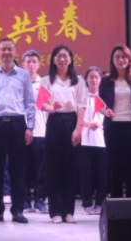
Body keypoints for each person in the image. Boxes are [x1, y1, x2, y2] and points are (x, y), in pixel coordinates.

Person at [0, 38, 35, 224]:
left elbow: (30, 102)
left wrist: (30, 126)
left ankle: (17, 210)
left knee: (17, 168)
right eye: (3, 49)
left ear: (15, 52)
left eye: (9, 49)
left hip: (17, 123)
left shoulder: (24, 75)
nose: (6, 52)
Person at [40, 45, 87, 224]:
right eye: (58, 56)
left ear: (71, 59)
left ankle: (69, 211)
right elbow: (42, 104)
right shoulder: (47, 80)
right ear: (53, 59)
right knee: (53, 167)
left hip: (72, 121)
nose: (62, 59)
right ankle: (56, 212)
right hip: (54, 122)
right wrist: (51, 107)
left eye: (65, 56)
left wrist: (78, 128)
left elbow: (82, 105)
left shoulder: (78, 80)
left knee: (70, 167)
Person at [98, 44, 131, 199]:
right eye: (117, 57)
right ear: (112, 60)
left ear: (129, 59)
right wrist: (105, 111)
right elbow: (99, 105)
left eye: (124, 57)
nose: (121, 60)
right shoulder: (106, 81)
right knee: (114, 168)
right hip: (113, 127)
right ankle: (116, 204)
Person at [22, 49, 48, 214]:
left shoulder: (44, 84)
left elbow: (49, 108)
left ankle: (40, 200)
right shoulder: (19, 83)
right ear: (22, 64)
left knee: (41, 170)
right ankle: (24, 200)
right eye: (28, 62)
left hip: (41, 132)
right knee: (23, 168)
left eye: (34, 62)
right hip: (22, 132)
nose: (31, 65)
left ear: (39, 64)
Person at [79, 66, 107, 215]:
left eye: (96, 77)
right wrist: (87, 124)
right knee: (86, 174)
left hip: (101, 140)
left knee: (101, 174)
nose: (94, 80)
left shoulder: (105, 96)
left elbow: (109, 115)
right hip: (84, 140)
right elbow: (77, 116)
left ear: (100, 79)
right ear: (86, 79)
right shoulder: (82, 96)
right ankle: (87, 203)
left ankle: (100, 202)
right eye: (91, 77)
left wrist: (99, 124)